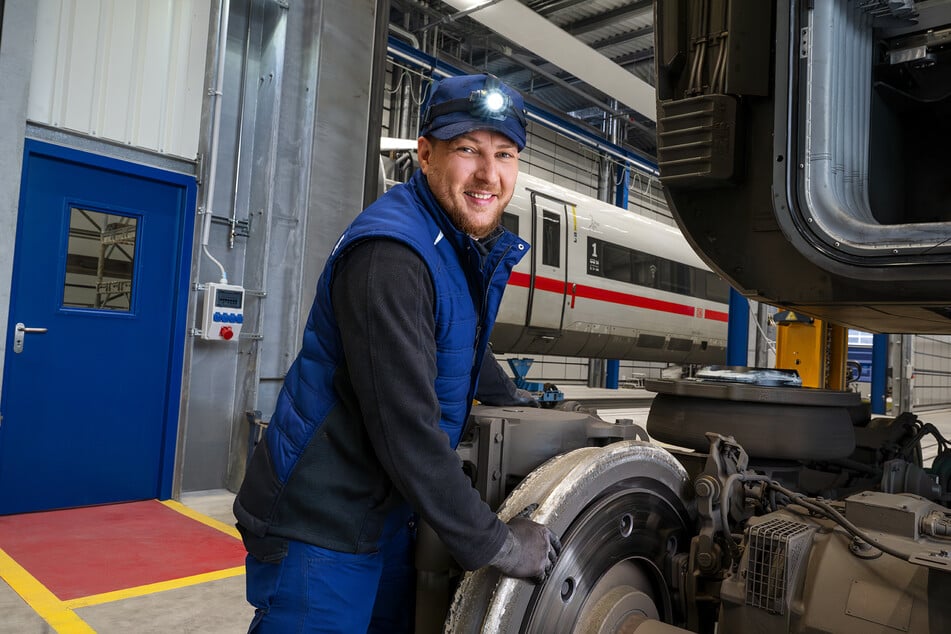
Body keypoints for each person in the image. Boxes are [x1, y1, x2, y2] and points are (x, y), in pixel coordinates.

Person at [233, 73, 561, 633]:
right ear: (426, 154)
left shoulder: (449, 245)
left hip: (384, 516)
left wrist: (525, 404)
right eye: (468, 150)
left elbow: (460, 345)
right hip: (323, 523)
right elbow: (404, 427)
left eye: (505, 154)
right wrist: (498, 545)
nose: (489, 174)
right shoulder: (392, 254)